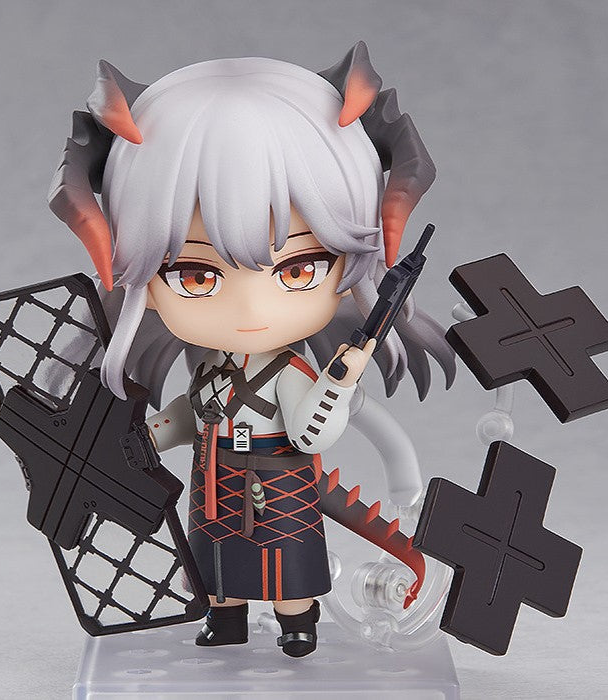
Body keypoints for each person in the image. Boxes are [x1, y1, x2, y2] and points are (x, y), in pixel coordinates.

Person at [48, 42, 455, 657]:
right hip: (215, 477)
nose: (250, 310)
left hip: (279, 477)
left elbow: (312, 434)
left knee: (286, 565)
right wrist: (150, 436)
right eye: (195, 275)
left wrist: (338, 382)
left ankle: (297, 621)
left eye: (298, 270)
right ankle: (226, 617)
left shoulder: (291, 371)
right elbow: (193, 413)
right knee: (216, 564)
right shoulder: (210, 364)